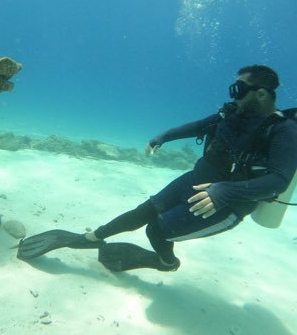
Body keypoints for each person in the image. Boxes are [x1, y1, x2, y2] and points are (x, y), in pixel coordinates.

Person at [17, 65, 297, 272]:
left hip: (227, 204)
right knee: (144, 211)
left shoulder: (283, 131)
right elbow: (199, 126)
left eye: (238, 89)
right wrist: (163, 137)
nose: (233, 95)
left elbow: (279, 181)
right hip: (197, 180)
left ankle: (166, 261)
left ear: (260, 94)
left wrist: (224, 191)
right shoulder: (231, 114)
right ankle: (88, 238)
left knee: (156, 230)